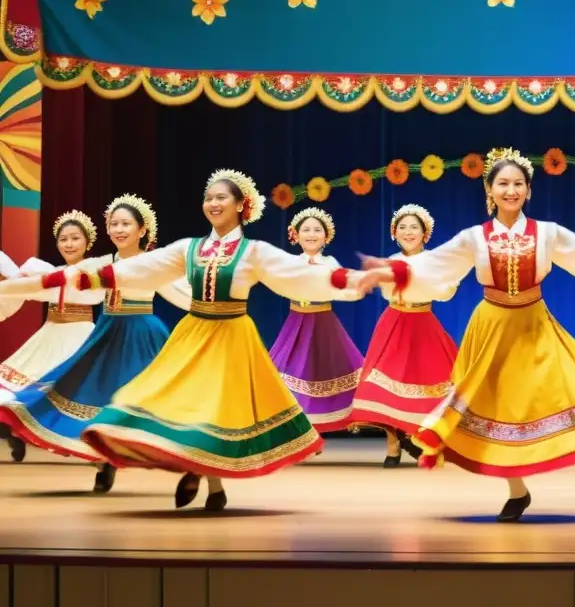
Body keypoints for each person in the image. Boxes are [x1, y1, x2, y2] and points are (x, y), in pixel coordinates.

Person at [357, 148, 575, 521]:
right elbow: (435, 265)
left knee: (550, 393)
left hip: (533, 322)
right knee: (496, 405)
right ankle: (517, 490)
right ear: (489, 188)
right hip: (491, 325)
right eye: (503, 183)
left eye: (518, 184)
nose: (511, 190)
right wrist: (388, 272)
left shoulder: (548, 234)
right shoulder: (475, 237)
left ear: (529, 190)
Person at [8, 170, 372, 511]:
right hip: (194, 332)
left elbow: (297, 276)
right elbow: (140, 269)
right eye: (208, 197)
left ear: (241, 205)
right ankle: (201, 476)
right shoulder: (189, 249)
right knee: (175, 403)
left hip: (231, 335)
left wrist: (348, 280)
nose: (213, 204)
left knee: (214, 411)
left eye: (221, 198)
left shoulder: (254, 252)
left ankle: (207, 479)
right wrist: (93, 278)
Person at [0, 195, 190, 491]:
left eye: (126, 223)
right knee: (94, 396)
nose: (118, 229)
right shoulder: (102, 263)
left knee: (167, 402)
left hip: (142, 335)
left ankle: (195, 468)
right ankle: (104, 463)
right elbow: (57, 281)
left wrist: (215, 311)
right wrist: (9, 285)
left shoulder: (153, 263)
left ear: (142, 230)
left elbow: (181, 292)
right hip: (109, 331)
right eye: (114, 224)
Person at [342, 204, 458, 467]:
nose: (408, 232)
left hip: (423, 323)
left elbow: (445, 292)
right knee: (384, 385)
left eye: (414, 227)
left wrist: (445, 281)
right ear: (395, 233)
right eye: (402, 227)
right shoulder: (392, 261)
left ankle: (419, 439)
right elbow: (384, 289)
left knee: (431, 383)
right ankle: (393, 444)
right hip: (395, 323)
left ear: (425, 234)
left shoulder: (434, 261)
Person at [0, 212, 105, 462]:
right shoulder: (51, 272)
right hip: (50, 334)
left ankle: (99, 454)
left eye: (75, 238)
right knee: (16, 388)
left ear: (87, 242)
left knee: (80, 395)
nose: (68, 244)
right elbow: (27, 289)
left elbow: (83, 294)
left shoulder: (94, 271)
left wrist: (25, 280)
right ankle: (16, 432)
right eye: (63, 239)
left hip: (79, 337)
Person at [268, 207, 366, 434]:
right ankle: (300, 433)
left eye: (317, 230)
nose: (311, 234)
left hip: (322, 322)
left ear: (325, 236)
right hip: (296, 323)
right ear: (296, 235)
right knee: (289, 371)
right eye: (306, 230)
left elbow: (344, 289)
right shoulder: (289, 262)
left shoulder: (330, 262)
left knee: (327, 370)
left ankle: (332, 421)